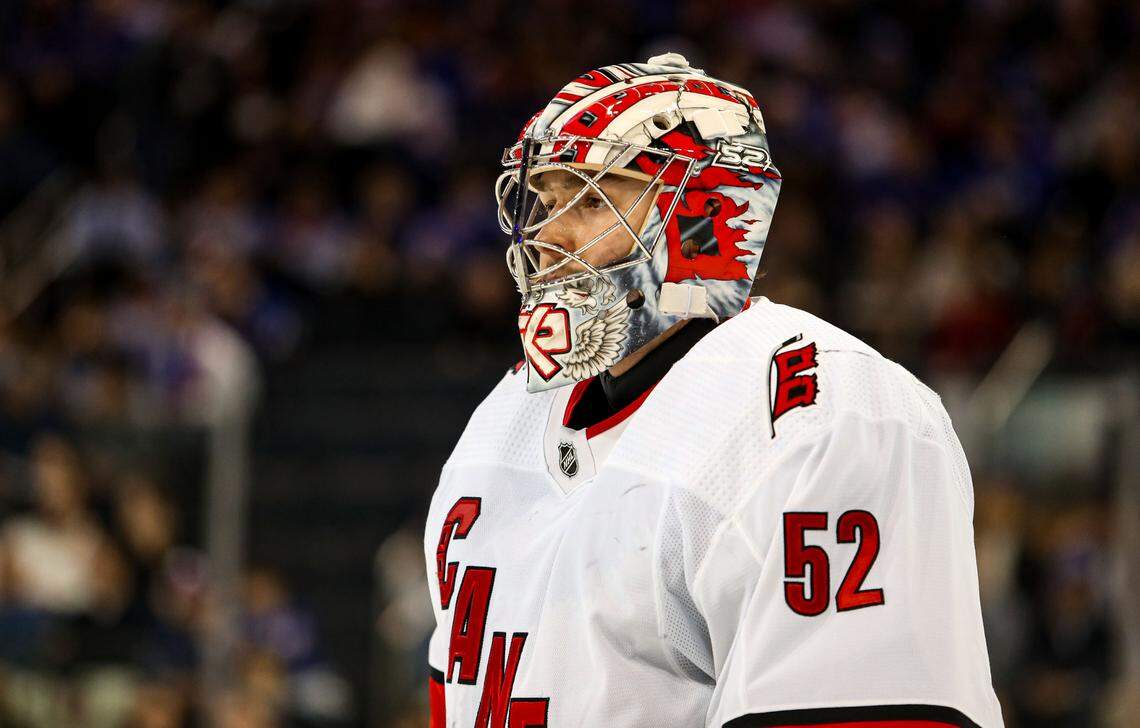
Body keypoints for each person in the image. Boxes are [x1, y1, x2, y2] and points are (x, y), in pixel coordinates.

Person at [423, 53, 1004, 728]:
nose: (549, 235)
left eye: (590, 197)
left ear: (700, 215)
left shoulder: (816, 414)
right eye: (547, 202)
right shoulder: (504, 420)